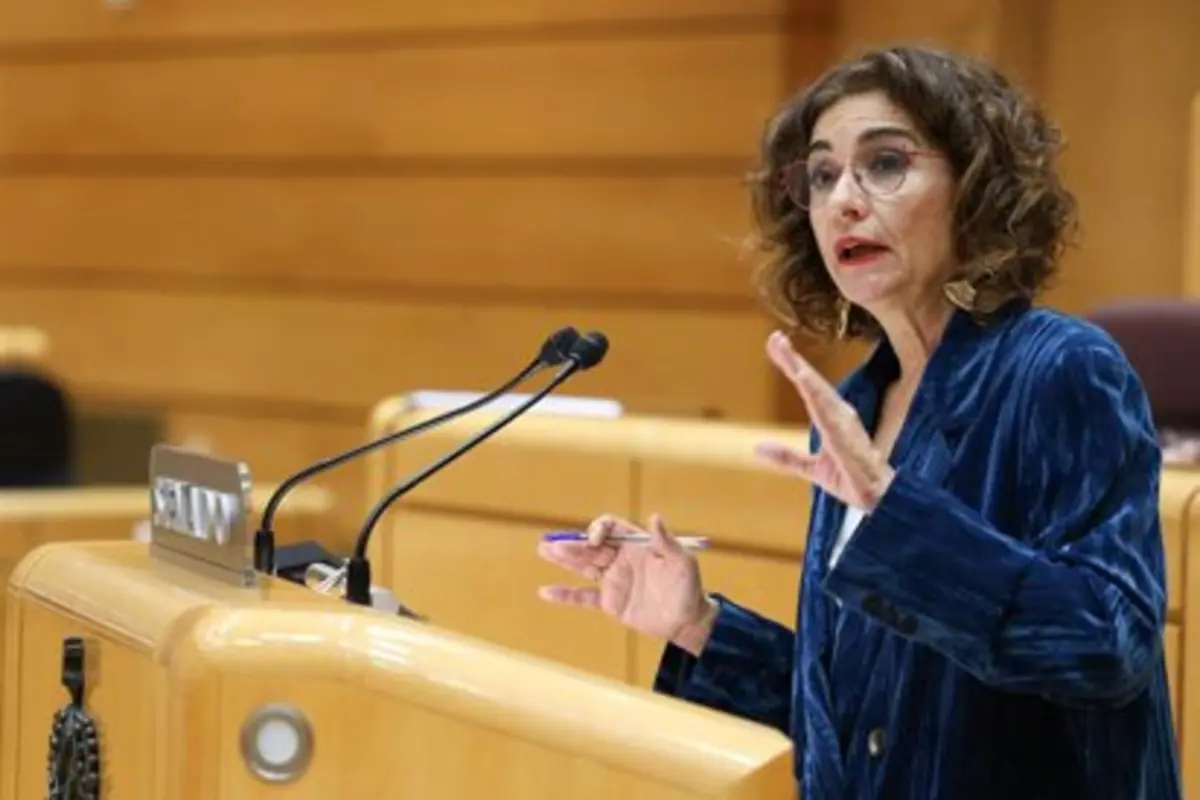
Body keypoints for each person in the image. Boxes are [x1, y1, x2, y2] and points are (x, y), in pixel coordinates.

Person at [536, 45, 1182, 799]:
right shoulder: (856, 409)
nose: (843, 198)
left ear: (975, 187)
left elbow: (1107, 646)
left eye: (883, 164)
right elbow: (867, 730)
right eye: (821, 174)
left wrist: (895, 510)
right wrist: (700, 624)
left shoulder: (1060, 369)